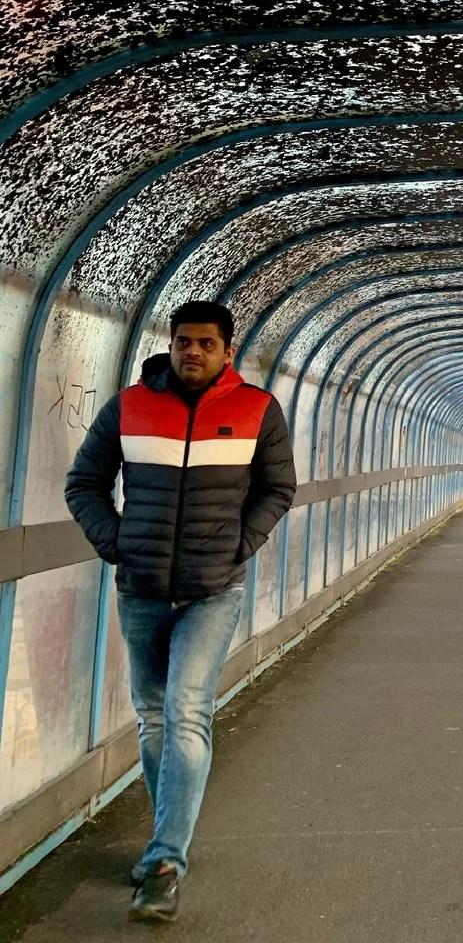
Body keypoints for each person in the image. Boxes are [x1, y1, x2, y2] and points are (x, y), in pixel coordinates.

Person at [65, 300, 296, 924]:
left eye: (205, 344)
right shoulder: (129, 407)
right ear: (171, 346)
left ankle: (165, 862)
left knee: (185, 710)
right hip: (140, 588)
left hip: (212, 591)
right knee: (152, 717)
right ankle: (169, 831)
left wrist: (237, 547)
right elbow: (82, 482)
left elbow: (279, 487)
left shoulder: (256, 411)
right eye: (183, 342)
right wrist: (114, 543)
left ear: (227, 352)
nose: (192, 352)